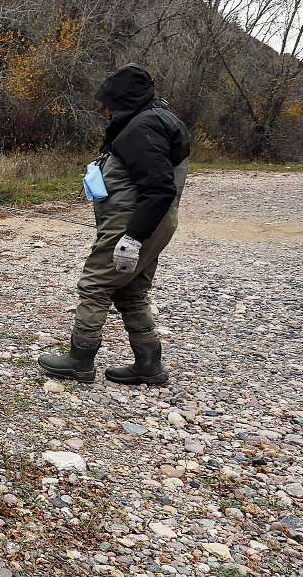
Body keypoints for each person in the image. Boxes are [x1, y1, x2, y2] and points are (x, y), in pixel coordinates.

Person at [38, 64, 190, 385]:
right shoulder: (153, 122)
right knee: (132, 290)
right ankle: (149, 364)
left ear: (124, 100)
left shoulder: (141, 129)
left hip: (133, 224)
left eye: (107, 103)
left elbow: (158, 188)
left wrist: (132, 238)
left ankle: (79, 360)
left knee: (96, 285)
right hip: (153, 223)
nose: (103, 110)